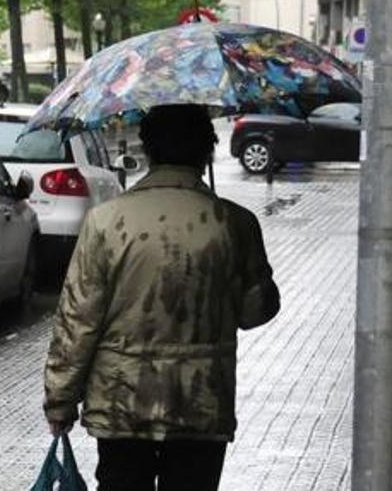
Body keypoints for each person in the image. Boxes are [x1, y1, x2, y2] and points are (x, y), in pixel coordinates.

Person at [43, 105, 280, 491]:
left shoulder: (105, 220)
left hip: (122, 401)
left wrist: (60, 399)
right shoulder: (234, 222)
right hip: (200, 402)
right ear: (208, 151)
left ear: (149, 149)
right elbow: (255, 311)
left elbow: (77, 320)